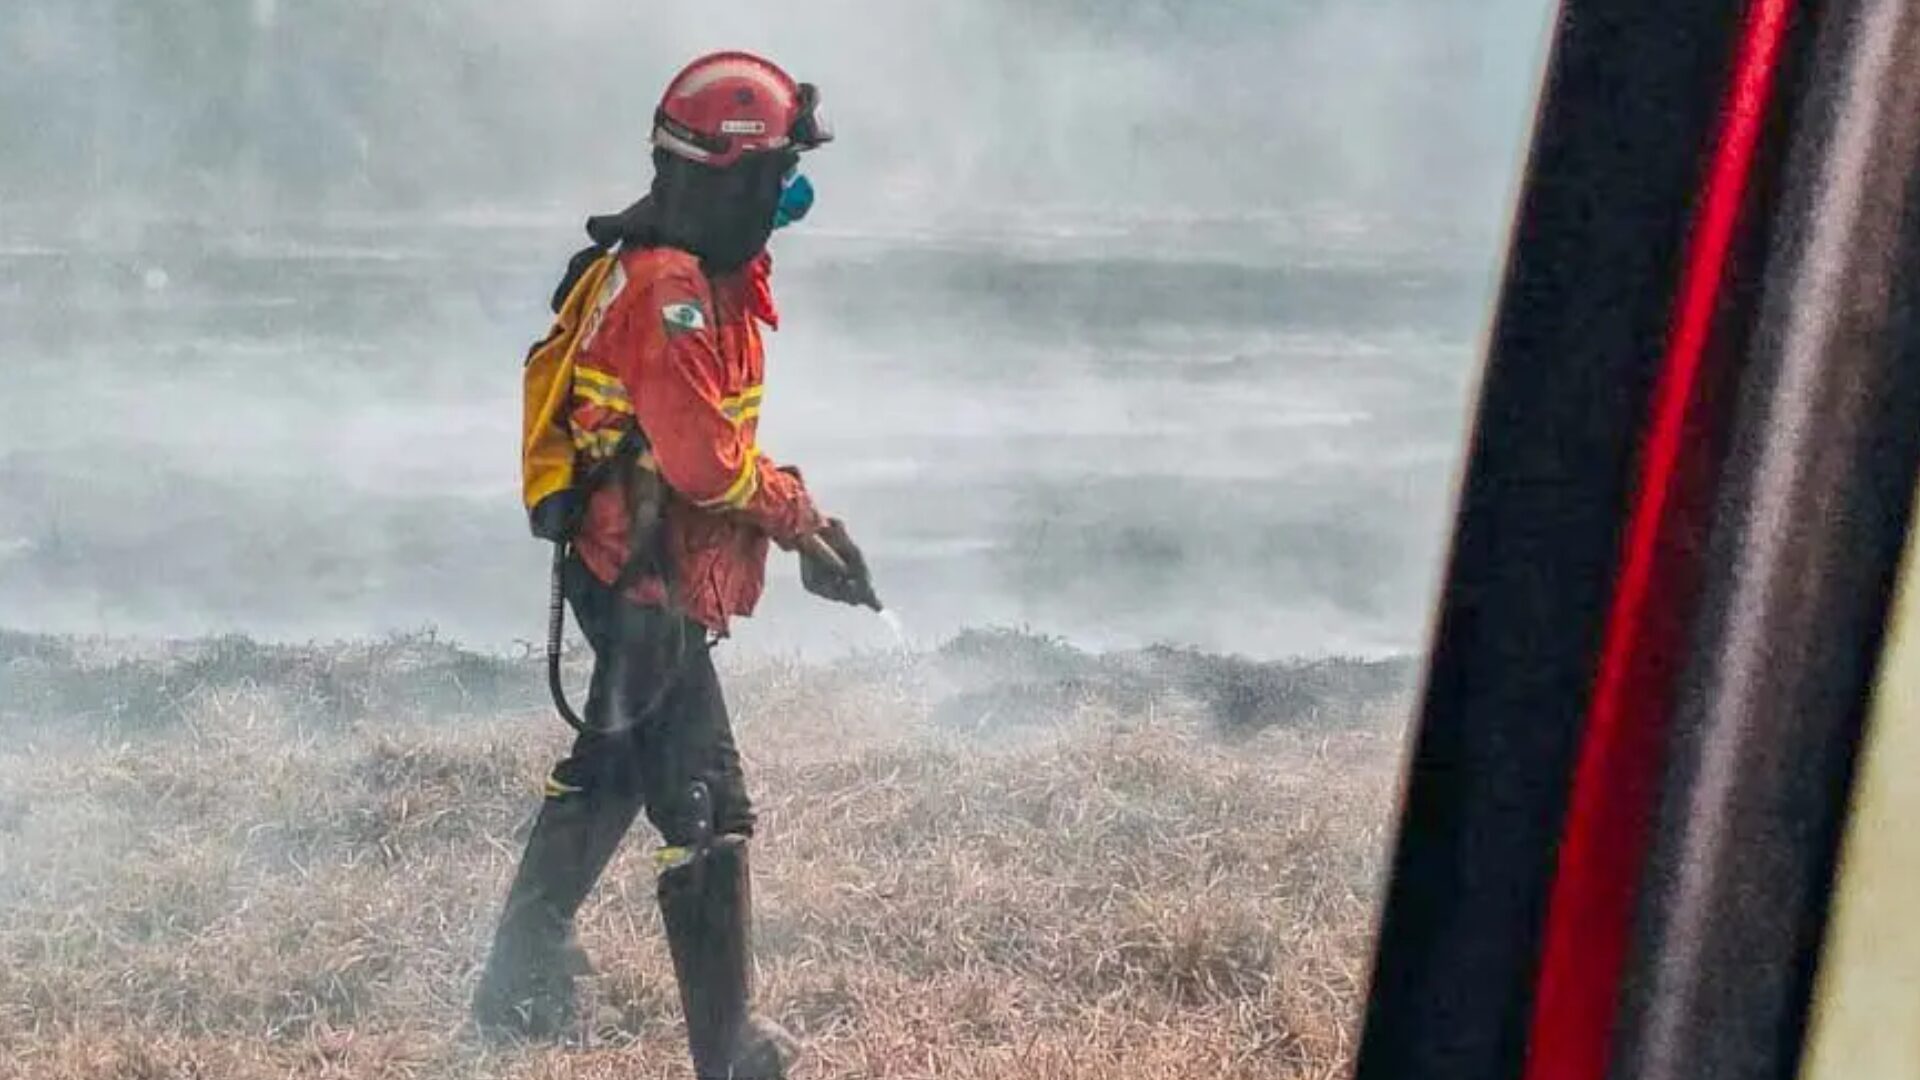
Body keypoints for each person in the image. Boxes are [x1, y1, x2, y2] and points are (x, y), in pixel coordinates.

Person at [474, 51, 879, 1080]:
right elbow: (702, 461)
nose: (794, 199)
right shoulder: (666, 291)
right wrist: (792, 515)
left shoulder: (701, 273)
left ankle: (518, 976)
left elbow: (710, 446)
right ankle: (727, 1048)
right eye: (781, 177)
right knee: (705, 802)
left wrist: (807, 519)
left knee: (613, 768)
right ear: (731, 177)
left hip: (641, 565)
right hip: (639, 573)